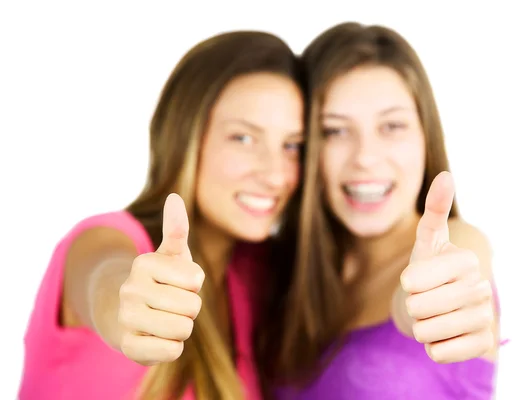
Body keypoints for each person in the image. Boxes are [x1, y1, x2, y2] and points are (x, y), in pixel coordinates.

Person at [19, 30, 305, 400]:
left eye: (292, 145)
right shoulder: (104, 239)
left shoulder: (254, 273)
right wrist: (127, 306)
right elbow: (106, 280)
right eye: (243, 138)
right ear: (183, 135)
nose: (275, 174)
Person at [258, 22, 503, 399]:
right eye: (335, 131)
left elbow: (439, 285)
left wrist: (424, 304)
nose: (366, 158)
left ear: (426, 136)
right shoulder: (281, 273)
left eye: (392, 126)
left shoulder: (458, 247)